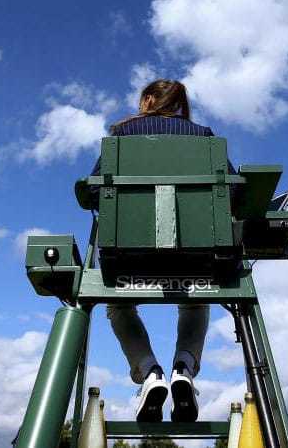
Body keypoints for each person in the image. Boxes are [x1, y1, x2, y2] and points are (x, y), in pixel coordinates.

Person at [90, 79, 235, 423]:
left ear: (149, 99)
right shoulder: (204, 136)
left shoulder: (121, 134)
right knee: (197, 299)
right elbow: (231, 189)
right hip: (195, 257)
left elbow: (94, 191)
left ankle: (149, 371)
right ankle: (183, 366)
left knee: (118, 306)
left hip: (127, 256)